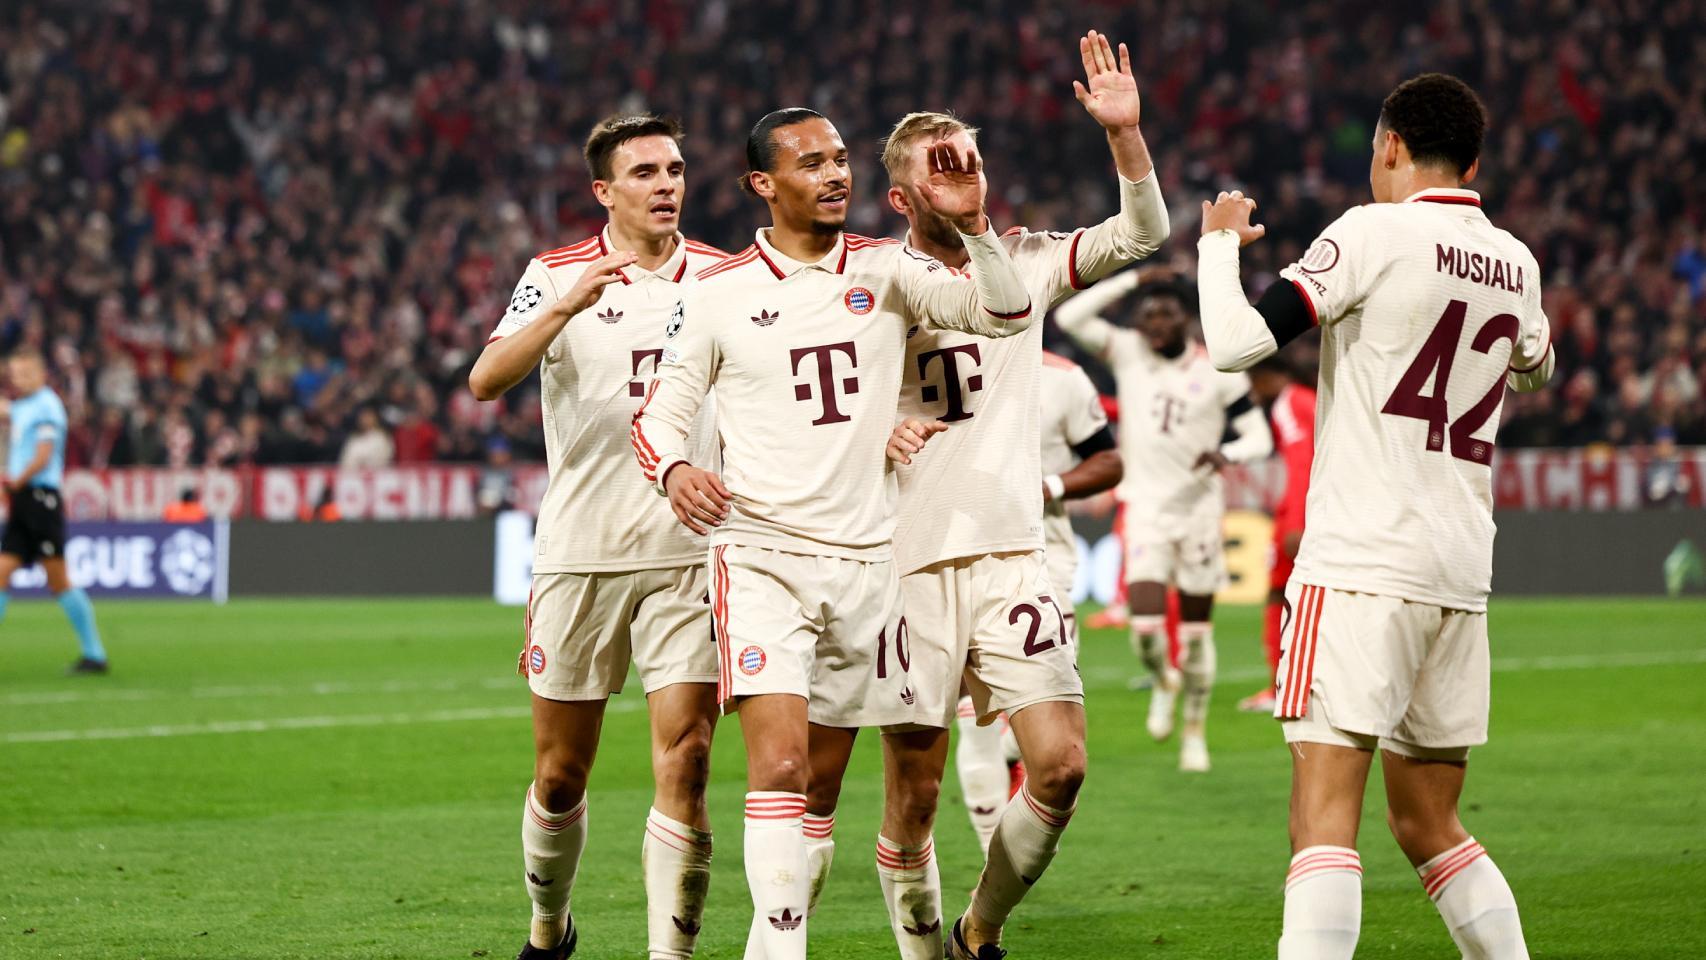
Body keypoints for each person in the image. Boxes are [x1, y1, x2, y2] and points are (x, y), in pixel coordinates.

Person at [632, 107, 1033, 960]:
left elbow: (1001, 313)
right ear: (763, 185)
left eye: (842, 159)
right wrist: (674, 469)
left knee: (821, 788)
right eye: (811, 163)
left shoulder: (891, 269)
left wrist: (974, 226)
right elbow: (661, 414)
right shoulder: (718, 293)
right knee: (778, 770)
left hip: (869, 566)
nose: (837, 174)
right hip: (763, 554)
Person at [1194, 72, 1547, 960]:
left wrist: (1218, 246)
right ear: (1472, 161)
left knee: (1323, 822)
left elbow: (1238, 346)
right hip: (1460, 573)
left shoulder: (1370, 231)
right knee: (1431, 822)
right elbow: (1536, 364)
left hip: (1359, 565)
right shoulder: (1517, 260)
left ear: (1388, 146)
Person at [825, 31, 1163, 958]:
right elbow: (806, 404)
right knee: (916, 797)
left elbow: (1143, 233)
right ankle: (925, 951)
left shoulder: (1024, 257)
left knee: (1058, 767)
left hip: (1014, 551)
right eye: (939, 167)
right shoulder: (866, 280)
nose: (962, 174)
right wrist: (869, 436)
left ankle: (980, 928)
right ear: (899, 196)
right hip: (905, 564)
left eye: (969, 159)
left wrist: (1124, 136)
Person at [468, 113, 730, 960]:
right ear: (604, 191)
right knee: (558, 776)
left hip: (689, 550)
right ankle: (550, 927)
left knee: (686, 762)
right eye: (646, 172)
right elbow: (485, 380)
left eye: (676, 169)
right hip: (581, 550)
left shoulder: (728, 278)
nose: (666, 185)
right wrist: (566, 308)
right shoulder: (556, 273)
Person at [1055, 270, 1272, 771]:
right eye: (1147, 315)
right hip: (1147, 511)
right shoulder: (1129, 352)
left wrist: (1227, 454)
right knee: (1146, 630)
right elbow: (1069, 316)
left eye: (1165, 314)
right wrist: (1132, 280)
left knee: (1196, 634)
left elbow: (1258, 437)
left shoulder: (1220, 369)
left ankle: (1194, 731)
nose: (1155, 323)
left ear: (1185, 320)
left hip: (1198, 513)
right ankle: (1164, 680)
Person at [953, 346, 1123, 857]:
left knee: (1047, 717)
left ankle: (1013, 753)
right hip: (953, 557)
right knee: (972, 721)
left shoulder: (1064, 378)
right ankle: (991, 858)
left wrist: (1046, 486)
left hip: (1043, 565)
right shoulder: (924, 348)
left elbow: (1109, 460)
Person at [0, 352, 108, 674]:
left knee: (58, 579)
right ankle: (94, 655)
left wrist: (14, 480)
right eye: (13, 374)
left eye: (23, 374)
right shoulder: (23, 406)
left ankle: (95, 654)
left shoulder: (47, 406)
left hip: (41, 500)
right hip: (23, 500)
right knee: (2, 572)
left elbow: (44, 455)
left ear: (40, 374)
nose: (16, 380)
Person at [1238, 355, 1316, 713]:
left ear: (1268, 377)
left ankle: (1282, 685)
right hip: (1315, 507)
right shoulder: (1307, 398)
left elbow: (1303, 462)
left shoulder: (1290, 403)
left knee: (1279, 594)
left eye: (1253, 383)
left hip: (1299, 512)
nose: (1252, 393)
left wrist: (1297, 520)